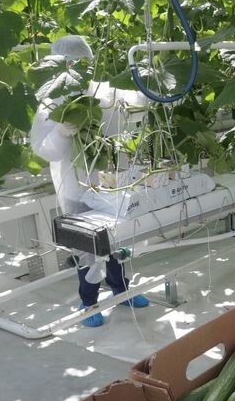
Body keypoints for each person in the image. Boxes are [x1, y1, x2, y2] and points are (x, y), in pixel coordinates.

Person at [29, 35, 149, 327]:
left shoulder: (105, 91)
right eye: (72, 62)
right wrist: (61, 131)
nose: (78, 67)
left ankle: (121, 289)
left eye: (83, 62)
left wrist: (146, 78)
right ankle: (88, 302)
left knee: (116, 238)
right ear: (61, 64)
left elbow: (138, 105)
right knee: (87, 245)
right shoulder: (52, 98)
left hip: (110, 180)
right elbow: (43, 149)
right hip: (76, 184)